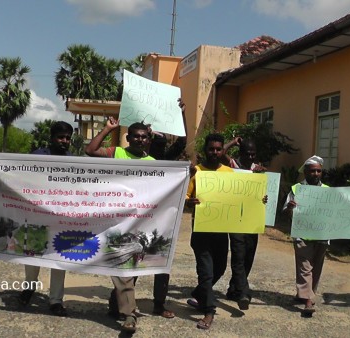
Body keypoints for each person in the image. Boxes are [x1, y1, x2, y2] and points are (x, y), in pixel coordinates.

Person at [105, 99, 188, 321]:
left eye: (150, 136)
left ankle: (158, 305)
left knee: (160, 262)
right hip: (130, 216)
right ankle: (118, 304)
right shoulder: (128, 155)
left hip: (158, 219)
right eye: (141, 135)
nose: (145, 139)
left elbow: (181, 144)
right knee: (131, 262)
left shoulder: (164, 161)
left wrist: (180, 115)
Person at [85, 117, 154, 333]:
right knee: (123, 264)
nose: (140, 140)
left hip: (139, 222)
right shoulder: (117, 153)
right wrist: (107, 129)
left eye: (144, 137)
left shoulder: (153, 163)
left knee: (132, 266)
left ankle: (116, 304)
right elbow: (90, 150)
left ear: (148, 139)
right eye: (136, 136)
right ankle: (129, 315)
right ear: (128, 138)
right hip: (115, 221)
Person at [283, 155, 350, 316]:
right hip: (302, 235)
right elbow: (285, 210)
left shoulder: (327, 190)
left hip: (321, 236)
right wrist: (290, 207)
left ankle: (305, 294)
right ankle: (308, 301)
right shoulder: (296, 189)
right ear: (305, 172)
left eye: (319, 171)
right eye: (313, 171)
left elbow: (341, 208)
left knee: (316, 268)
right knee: (305, 268)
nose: (316, 174)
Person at [19, 121, 74, 317]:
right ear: (51, 138)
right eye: (60, 137)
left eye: (68, 138)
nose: (64, 141)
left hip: (61, 216)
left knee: (59, 257)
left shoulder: (73, 161)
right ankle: (29, 288)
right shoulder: (37, 157)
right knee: (32, 253)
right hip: (37, 214)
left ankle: (56, 300)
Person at [185, 133, 233, 330]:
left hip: (221, 230)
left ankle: (199, 293)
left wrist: (258, 200)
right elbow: (186, 197)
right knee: (205, 272)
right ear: (206, 150)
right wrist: (190, 202)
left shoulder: (230, 173)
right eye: (211, 149)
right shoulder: (197, 172)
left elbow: (238, 198)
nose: (215, 152)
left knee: (220, 268)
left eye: (218, 149)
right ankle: (209, 311)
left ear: (223, 151)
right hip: (201, 230)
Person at [222, 137, 267, 310]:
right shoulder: (233, 165)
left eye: (253, 154)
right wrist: (233, 142)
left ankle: (234, 289)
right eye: (247, 154)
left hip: (252, 219)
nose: (250, 157)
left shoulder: (258, 169)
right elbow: (222, 152)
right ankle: (243, 292)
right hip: (234, 218)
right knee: (238, 254)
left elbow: (264, 192)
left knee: (249, 254)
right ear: (241, 153)